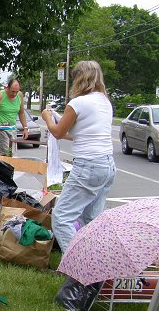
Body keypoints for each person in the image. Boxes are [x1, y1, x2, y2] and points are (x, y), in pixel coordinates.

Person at [41, 60, 116, 252]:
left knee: (61, 217)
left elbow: (58, 132)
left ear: (79, 79)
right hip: (107, 165)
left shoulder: (78, 103)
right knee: (91, 219)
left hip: (88, 166)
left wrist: (47, 117)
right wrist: (58, 120)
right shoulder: (104, 101)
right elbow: (78, 134)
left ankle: (76, 264)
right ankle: (95, 259)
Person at [0, 78, 28, 156]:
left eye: (16, 91)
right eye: (12, 91)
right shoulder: (0, 96)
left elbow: (21, 113)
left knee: (12, 153)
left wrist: (25, 128)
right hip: (0, 129)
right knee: (4, 153)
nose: (14, 94)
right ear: (8, 88)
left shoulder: (20, 95)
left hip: (12, 128)